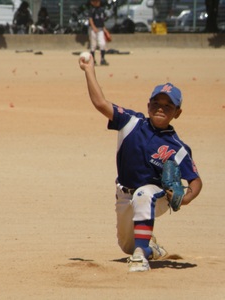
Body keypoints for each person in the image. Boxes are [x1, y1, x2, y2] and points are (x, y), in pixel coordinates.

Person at [78, 57, 203, 272]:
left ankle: (140, 258)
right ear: (148, 105)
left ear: (177, 113)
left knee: (143, 195)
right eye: (156, 103)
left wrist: (186, 198)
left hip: (156, 196)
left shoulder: (177, 147)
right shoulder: (131, 122)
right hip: (123, 194)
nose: (160, 108)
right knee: (127, 245)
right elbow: (100, 103)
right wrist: (89, 69)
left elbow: (196, 180)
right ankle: (147, 249)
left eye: (168, 105)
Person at [88, 0, 109, 66]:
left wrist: (104, 29)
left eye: (97, 1)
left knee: (102, 44)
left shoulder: (102, 10)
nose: (96, 2)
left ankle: (102, 59)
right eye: (95, 1)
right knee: (93, 45)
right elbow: (90, 19)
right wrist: (93, 27)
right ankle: (93, 60)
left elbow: (102, 20)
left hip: (100, 29)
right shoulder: (92, 10)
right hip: (93, 29)